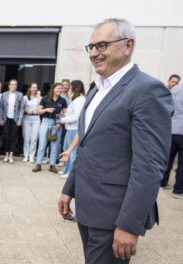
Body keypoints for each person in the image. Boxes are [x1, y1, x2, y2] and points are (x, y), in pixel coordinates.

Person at [58, 18, 173, 263]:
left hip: (114, 215)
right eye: (91, 47)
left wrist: (129, 225)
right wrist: (69, 189)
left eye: (102, 45)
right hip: (88, 208)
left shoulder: (147, 90)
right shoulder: (97, 91)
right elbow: (89, 146)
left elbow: (149, 166)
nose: (95, 54)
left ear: (128, 45)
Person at [32, 83, 67, 173]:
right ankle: (38, 164)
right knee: (42, 144)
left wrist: (59, 123)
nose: (60, 90)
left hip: (57, 124)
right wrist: (46, 110)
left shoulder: (63, 100)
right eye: (58, 88)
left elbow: (64, 114)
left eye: (61, 89)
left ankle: (52, 165)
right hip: (45, 122)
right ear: (53, 88)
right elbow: (38, 111)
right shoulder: (45, 98)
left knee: (54, 145)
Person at [58, 80, 86, 179]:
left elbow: (76, 116)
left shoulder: (79, 100)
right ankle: (67, 170)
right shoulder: (76, 99)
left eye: (70, 87)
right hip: (70, 128)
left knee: (72, 152)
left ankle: (70, 172)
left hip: (74, 128)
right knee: (67, 150)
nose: (69, 89)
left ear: (75, 87)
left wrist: (63, 119)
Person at [160, 83, 183, 197]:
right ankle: (178, 190)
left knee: (168, 159)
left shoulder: (175, 89)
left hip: (172, 128)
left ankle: (162, 183)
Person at [0, 79, 24, 163]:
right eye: (12, 84)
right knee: (6, 137)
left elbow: (21, 109)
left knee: (13, 138)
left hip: (15, 120)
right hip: (6, 119)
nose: (14, 86)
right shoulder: (4, 94)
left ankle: (11, 156)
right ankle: (6, 155)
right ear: (9, 85)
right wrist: (1, 119)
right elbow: (1, 107)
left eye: (15, 85)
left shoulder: (20, 95)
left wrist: (20, 120)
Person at [22, 82, 41, 162]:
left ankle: (32, 156)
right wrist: (26, 110)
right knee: (27, 138)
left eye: (35, 87)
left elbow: (41, 107)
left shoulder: (39, 98)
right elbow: (22, 107)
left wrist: (39, 96)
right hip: (26, 118)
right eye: (32, 87)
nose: (34, 89)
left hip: (36, 118)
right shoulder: (25, 97)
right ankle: (26, 155)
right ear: (30, 88)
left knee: (34, 139)